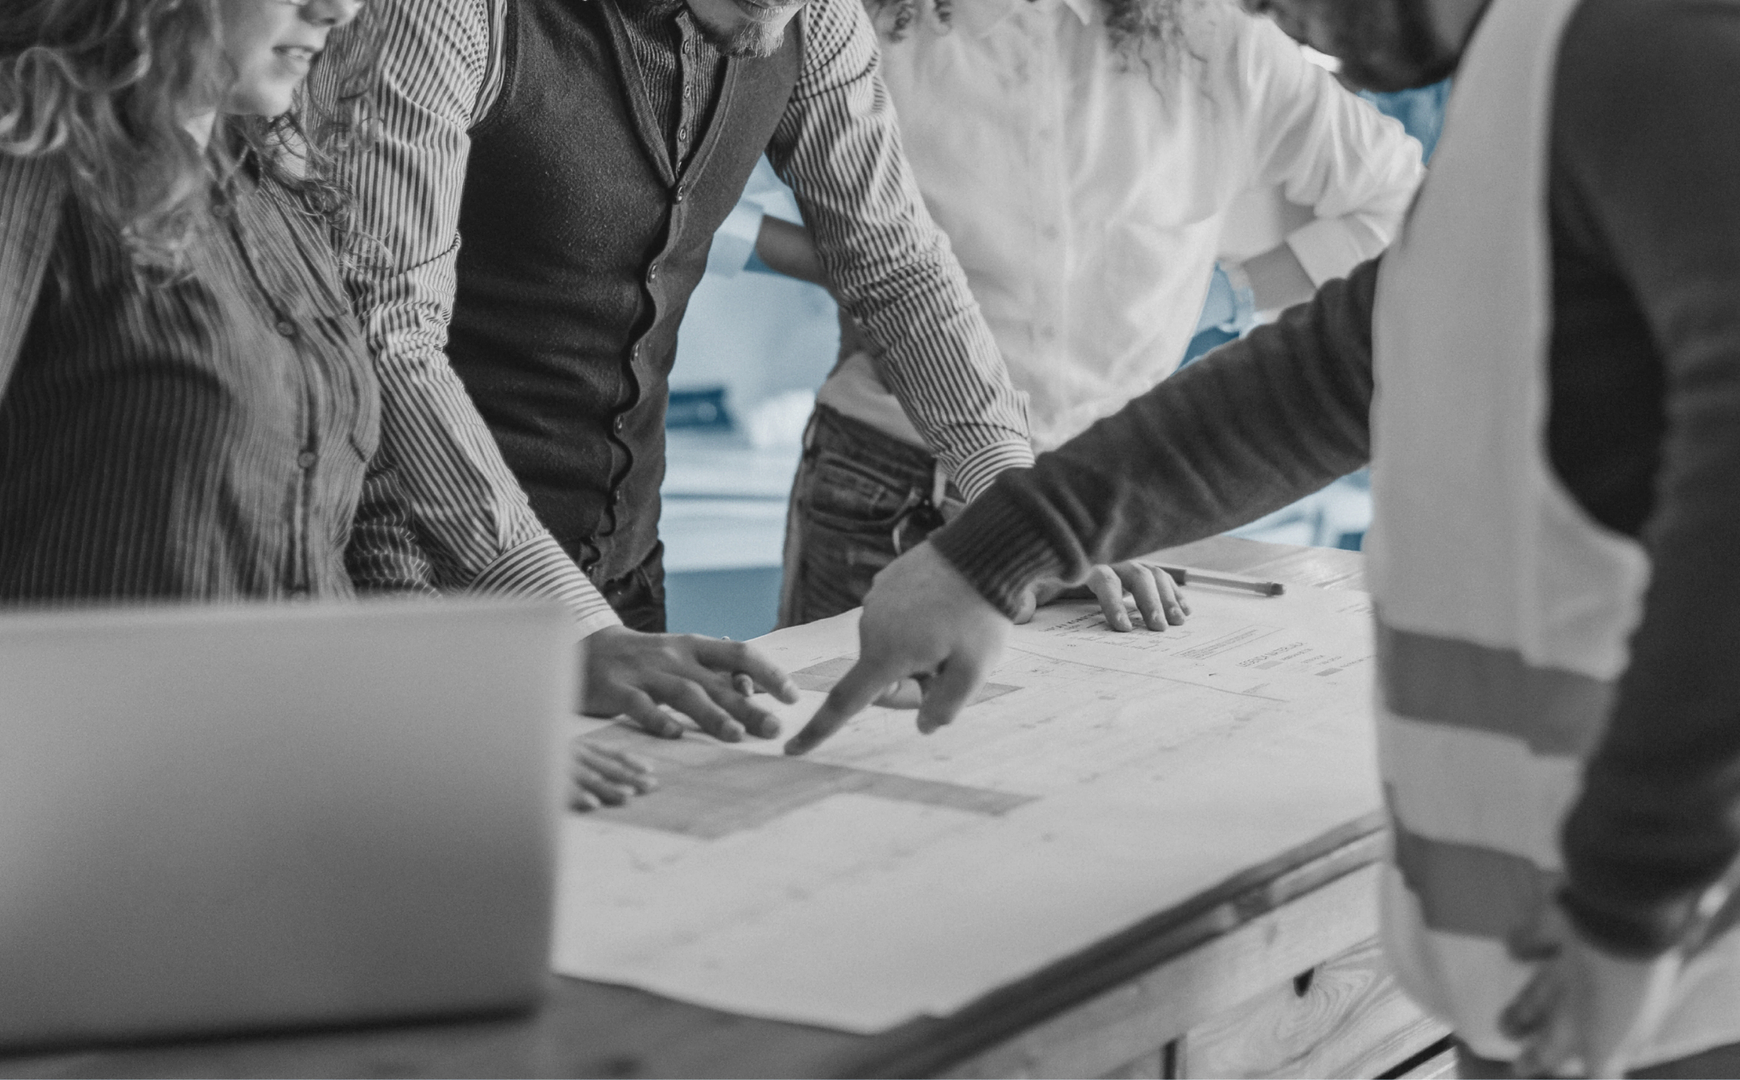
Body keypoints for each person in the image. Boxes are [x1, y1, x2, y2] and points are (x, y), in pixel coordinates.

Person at [786, 0, 1740, 1075]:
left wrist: (1631, 902)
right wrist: (1000, 550)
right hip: (1643, 960)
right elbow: (1347, 362)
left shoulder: (1655, 36)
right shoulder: (1546, 59)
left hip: (1732, 980)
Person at [313, 0, 1167, 741]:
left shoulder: (809, 16)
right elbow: (385, 332)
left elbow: (895, 264)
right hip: (417, 579)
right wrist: (566, 624)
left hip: (622, 580)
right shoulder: (447, 14)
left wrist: (1016, 509)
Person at [0, 0, 681, 810]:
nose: (338, 9)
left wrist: (437, 713)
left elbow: (365, 513)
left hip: (303, 781)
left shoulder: (277, 188)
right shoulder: (32, 159)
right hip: (109, 808)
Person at [752, 0, 1424, 632]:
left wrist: (1222, 296)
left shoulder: (1220, 41)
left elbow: (1402, 202)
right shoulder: (869, 27)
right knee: (838, 742)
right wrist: (870, 262)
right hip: (889, 486)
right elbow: (702, 201)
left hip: (1118, 505)